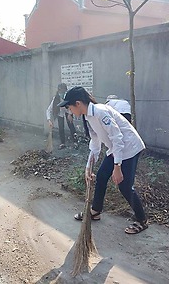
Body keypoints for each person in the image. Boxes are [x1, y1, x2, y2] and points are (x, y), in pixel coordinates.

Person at [58, 86, 148, 234]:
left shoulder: (100, 112)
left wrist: (117, 167)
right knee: (101, 176)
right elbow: (95, 144)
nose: (69, 110)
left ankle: (142, 220)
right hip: (116, 148)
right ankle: (95, 210)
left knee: (124, 186)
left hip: (129, 147)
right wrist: (88, 167)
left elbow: (118, 138)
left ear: (78, 103)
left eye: (69, 107)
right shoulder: (88, 117)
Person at [46, 83, 77, 149]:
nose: (62, 93)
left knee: (71, 125)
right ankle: (62, 143)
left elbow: (72, 107)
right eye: (60, 91)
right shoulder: (55, 99)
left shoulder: (69, 97)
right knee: (61, 127)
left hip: (68, 111)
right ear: (58, 91)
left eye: (63, 91)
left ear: (66, 90)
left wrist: (70, 114)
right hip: (60, 113)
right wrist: (49, 120)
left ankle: (75, 142)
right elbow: (49, 110)